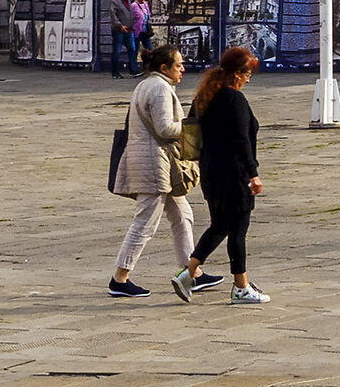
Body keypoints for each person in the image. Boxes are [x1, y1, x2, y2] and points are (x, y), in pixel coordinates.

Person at [108, 42, 199, 301]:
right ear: (164, 67)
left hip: (152, 161)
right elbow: (164, 129)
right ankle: (120, 279)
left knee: (183, 215)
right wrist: (192, 128)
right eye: (178, 65)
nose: (183, 69)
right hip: (154, 164)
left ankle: (193, 272)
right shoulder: (160, 88)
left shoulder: (145, 84)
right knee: (145, 222)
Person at [187, 46, 269, 304]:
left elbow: (191, 130)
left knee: (220, 224)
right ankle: (240, 286)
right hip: (234, 174)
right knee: (238, 229)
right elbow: (241, 140)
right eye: (247, 74)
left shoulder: (205, 97)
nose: (247, 79)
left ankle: (187, 272)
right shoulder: (235, 100)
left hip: (211, 171)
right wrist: (253, 174)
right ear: (237, 74)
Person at [110, 0, 139, 78]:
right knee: (117, 51)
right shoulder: (114, 1)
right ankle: (115, 72)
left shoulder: (129, 0)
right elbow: (113, 15)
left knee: (132, 49)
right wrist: (120, 25)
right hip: (119, 30)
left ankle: (133, 70)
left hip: (129, 30)